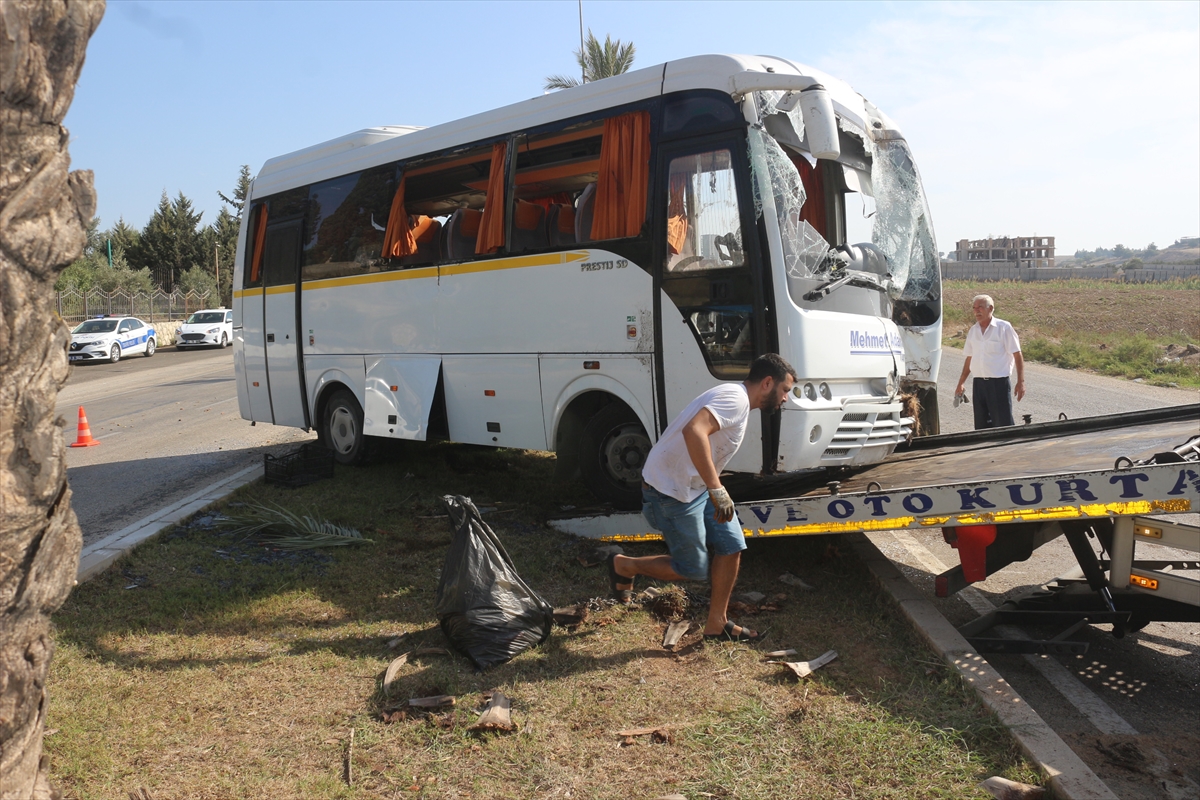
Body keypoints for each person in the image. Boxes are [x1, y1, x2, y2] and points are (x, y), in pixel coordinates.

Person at [607, 353, 797, 642]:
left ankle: (716, 624)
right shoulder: (735, 399)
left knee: (731, 544)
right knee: (691, 567)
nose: (786, 398)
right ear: (768, 383)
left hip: (695, 488)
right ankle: (624, 565)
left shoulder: (737, 401)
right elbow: (693, 430)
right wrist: (716, 488)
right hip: (669, 491)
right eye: (786, 390)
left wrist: (712, 486)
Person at [954, 294, 1025, 429]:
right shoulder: (973, 330)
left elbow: (1017, 354)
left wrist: (1020, 382)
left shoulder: (1004, 328)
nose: (976, 311)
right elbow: (970, 357)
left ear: (990, 308)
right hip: (979, 384)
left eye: (980, 307)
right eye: (974, 308)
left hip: (998, 384)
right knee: (981, 427)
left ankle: (1007, 449)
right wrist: (961, 383)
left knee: (1003, 425)